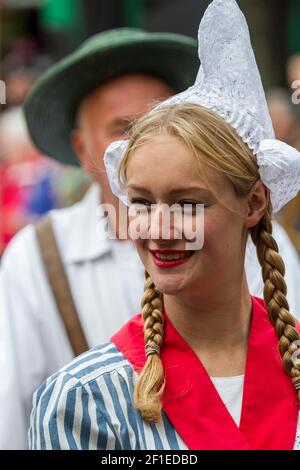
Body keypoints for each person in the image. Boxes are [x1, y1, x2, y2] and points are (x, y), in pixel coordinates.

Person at [29, 0, 300, 450]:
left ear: (254, 202)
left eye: (188, 203)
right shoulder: (83, 402)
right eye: (139, 201)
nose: (159, 228)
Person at [0, 29, 199, 450]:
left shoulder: (232, 233)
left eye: (160, 122)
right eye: (123, 129)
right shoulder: (38, 257)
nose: (144, 142)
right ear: (81, 147)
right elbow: (10, 419)